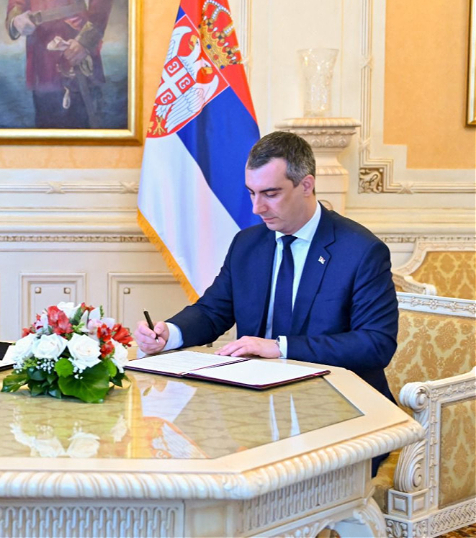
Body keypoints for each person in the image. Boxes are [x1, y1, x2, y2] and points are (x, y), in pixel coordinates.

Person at [134, 132, 399, 408]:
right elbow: (212, 312)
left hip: (341, 404)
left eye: (270, 194)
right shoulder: (247, 244)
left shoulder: (361, 251)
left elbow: (376, 343)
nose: (256, 207)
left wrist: (280, 347)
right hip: (256, 404)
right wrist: (170, 333)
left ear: (306, 185)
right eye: (252, 193)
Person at [6, 0, 112, 129]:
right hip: (40, 53)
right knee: (44, 120)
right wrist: (16, 19)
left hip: (74, 47)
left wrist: (84, 41)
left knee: (80, 122)